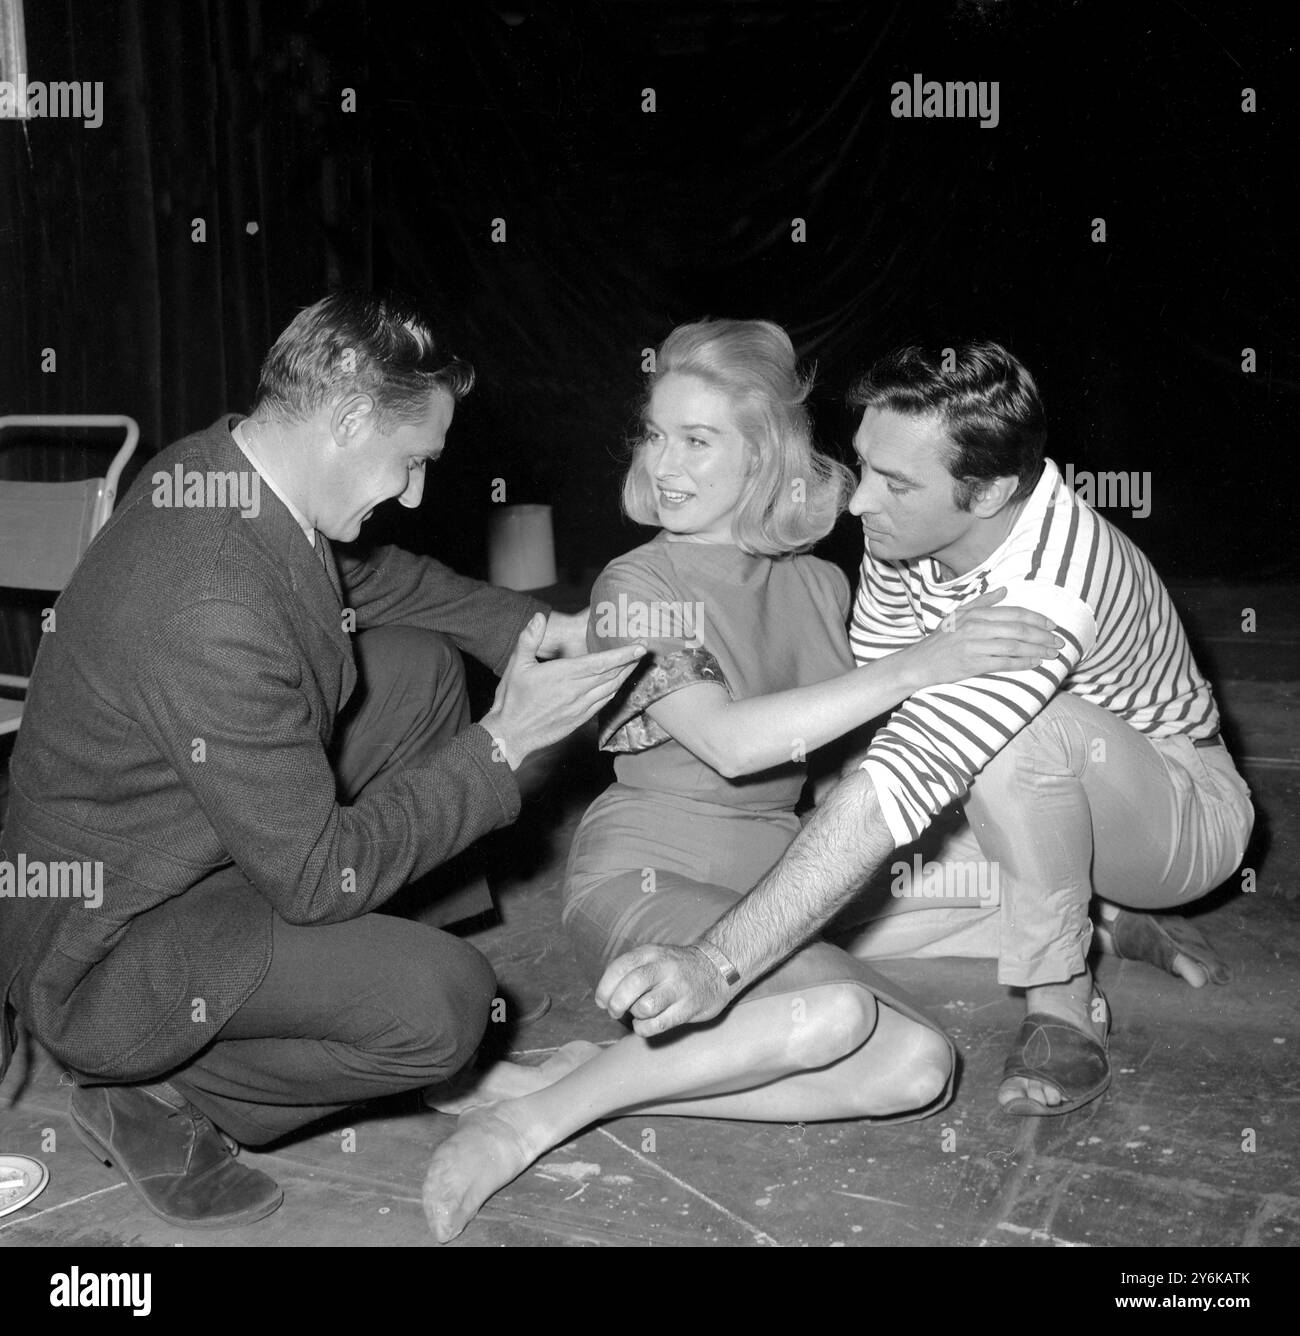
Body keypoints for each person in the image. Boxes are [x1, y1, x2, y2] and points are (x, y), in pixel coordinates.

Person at [0, 290, 644, 1229]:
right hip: (108, 938)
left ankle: (341, 977)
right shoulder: (208, 601)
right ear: (346, 418)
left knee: (420, 670)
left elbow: (376, 580)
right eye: (413, 462)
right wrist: (505, 742)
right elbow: (315, 874)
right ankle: (158, 1086)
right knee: (444, 1008)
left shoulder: (222, 468)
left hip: (185, 841)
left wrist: (541, 629)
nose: (416, 493)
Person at [420, 319, 1060, 1241]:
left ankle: (598, 1083)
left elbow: (870, 748)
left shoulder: (818, 584)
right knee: (836, 1014)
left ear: (763, 457)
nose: (664, 463)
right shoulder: (635, 583)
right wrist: (922, 664)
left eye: (697, 439)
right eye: (655, 433)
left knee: (917, 1069)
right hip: (646, 874)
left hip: (772, 883)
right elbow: (726, 743)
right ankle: (525, 1125)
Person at [587, 340, 1255, 1121]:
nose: (862, 501)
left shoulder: (1048, 584)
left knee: (1021, 740)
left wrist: (715, 963)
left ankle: (1064, 1003)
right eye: (866, 465)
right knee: (840, 902)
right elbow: (882, 709)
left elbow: (907, 770)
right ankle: (1098, 918)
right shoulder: (899, 533)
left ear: (988, 491)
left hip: (1178, 811)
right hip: (1014, 808)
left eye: (895, 482)